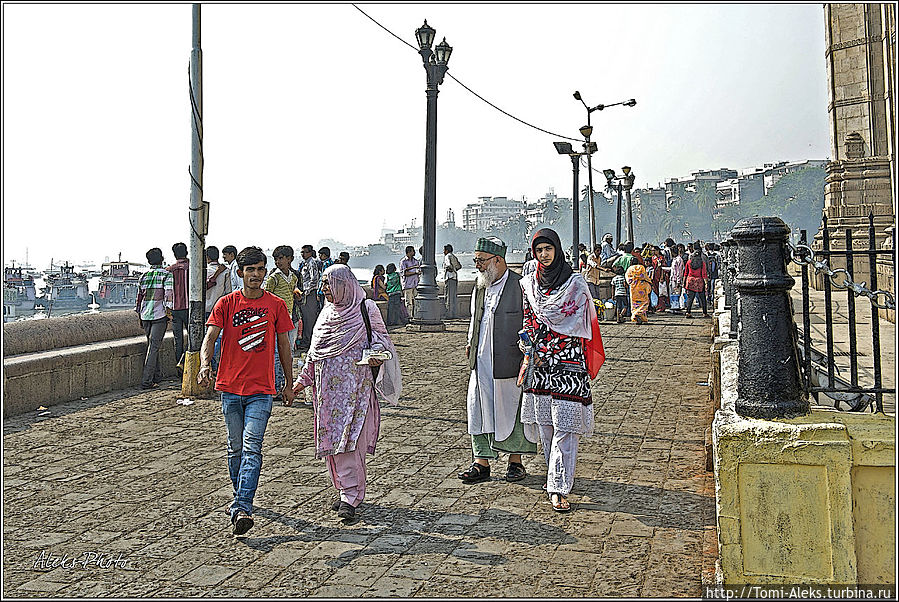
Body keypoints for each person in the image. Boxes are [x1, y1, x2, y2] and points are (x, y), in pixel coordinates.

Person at [292, 264, 402, 520]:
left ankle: (351, 496)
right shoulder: (326, 314)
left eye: (329, 284)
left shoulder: (366, 308)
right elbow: (314, 353)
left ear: (344, 284)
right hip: (328, 395)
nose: (324, 290)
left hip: (356, 391)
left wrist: (376, 355)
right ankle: (343, 490)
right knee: (333, 442)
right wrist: (301, 382)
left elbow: (381, 339)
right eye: (323, 284)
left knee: (350, 443)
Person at [199, 246, 295, 536]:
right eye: (250, 270)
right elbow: (210, 337)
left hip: (261, 390)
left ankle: (242, 506)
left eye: (260, 269)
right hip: (229, 388)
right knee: (235, 448)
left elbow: (285, 346)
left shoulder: (275, 305)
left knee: (252, 447)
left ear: (265, 272)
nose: (255, 275)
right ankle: (240, 495)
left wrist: (289, 383)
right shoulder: (227, 304)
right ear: (240, 273)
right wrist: (205, 365)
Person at [519, 228, 604, 513]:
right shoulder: (530, 284)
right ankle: (555, 475)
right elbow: (528, 319)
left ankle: (557, 486)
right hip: (540, 363)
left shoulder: (575, 284)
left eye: (548, 249)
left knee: (565, 428)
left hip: (568, 362)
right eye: (539, 250)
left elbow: (581, 323)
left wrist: (554, 343)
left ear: (557, 250)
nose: (544, 255)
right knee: (545, 425)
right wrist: (529, 348)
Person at [458, 236, 536, 485]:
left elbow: (530, 320)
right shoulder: (480, 285)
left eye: (481, 260)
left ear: (498, 260)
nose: (477, 265)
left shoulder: (521, 286)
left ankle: (515, 461)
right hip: (480, 362)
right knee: (478, 408)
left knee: (511, 407)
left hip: (510, 361)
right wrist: (470, 341)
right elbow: (474, 318)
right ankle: (481, 462)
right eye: (475, 260)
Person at [263, 245, 300, 397]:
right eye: (276, 259)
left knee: (288, 353)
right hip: (276, 321)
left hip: (290, 318)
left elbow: (292, 294)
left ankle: (284, 385)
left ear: (289, 259)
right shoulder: (274, 278)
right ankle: (276, 386)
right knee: (278, 354)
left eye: (281, 259)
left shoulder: (293, 277)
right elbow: (266, 296)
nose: (278, 262)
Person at [136, 247, 173, 390]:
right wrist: (169, 313)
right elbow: (168, 296)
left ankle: (156, 376)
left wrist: (139, 315)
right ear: (162, 259)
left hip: (145, 315)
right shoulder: (166, 275)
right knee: (154, 347)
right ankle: (146, 381)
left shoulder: (143, 276)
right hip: (159, 315)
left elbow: (139, 298)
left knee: (152, 346)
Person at [206, 245, 232, 372]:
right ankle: (216, 366)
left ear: (207, 257)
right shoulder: (226, 271)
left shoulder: (202, 270)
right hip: (219, 309)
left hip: (204, 310)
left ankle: (208, 365)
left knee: (207, 339)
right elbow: (228, 292)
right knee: (218, 339)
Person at [166, 242, 189, 370]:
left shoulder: (170, 270)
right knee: (194, 337)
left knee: (177, 340)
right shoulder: (191, 268)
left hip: (174, 309)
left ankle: (179, 369)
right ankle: (184, 361)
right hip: (188, 308)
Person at [297, 245, 322, 351]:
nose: (303, 254)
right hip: (305, 293)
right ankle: (305, 340)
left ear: (310, 253)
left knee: (309, 318)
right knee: (305, 318)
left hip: (310, 294)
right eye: (301, 252)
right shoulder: (305, 263)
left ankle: (308, 341)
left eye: (305, 252)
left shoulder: (312, 263)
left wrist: (305, 292)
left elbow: (314, 279)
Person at [684, 250, 709, 318]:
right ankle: (704, 313)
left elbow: (686, 273)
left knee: (690, 298)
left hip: (690, 280)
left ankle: (688, 312)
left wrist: (684, 282)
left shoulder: (689, 262)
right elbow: (704, 274)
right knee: (702, 298)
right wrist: (706, 284)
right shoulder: (702, 263)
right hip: (699, 281)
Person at [400, 246, 421, 319]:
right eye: (413, 251)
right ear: (409, 252)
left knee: (417, 301)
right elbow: (404, 273)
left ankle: (416, 315)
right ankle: (410, 316)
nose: (414, 252)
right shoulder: (403, 261)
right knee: (409, 302)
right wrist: (415, 272)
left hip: (415, 284)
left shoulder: (415, 261)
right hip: (408, 284)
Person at [443, 244, 461, 319]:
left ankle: (449, 315)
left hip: (449, 278)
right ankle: (454, 314)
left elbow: (448, 265)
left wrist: (450, 269)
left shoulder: (447, 256)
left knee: (448, 297)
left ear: (446, 250)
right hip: (455, 278)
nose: (443, 251)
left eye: (444, 250)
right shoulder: (453, 256)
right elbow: (459, 266)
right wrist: (454, 269)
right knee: (454, 297)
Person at [667, 244, 686, 312]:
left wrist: (678, 281)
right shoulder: (674, 259)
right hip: (672, 279)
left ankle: (676, 307)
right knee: (673, 294)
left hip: (676, 280)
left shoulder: (679, 260)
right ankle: (674, 307)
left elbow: (679, 272)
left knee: (676, 293)